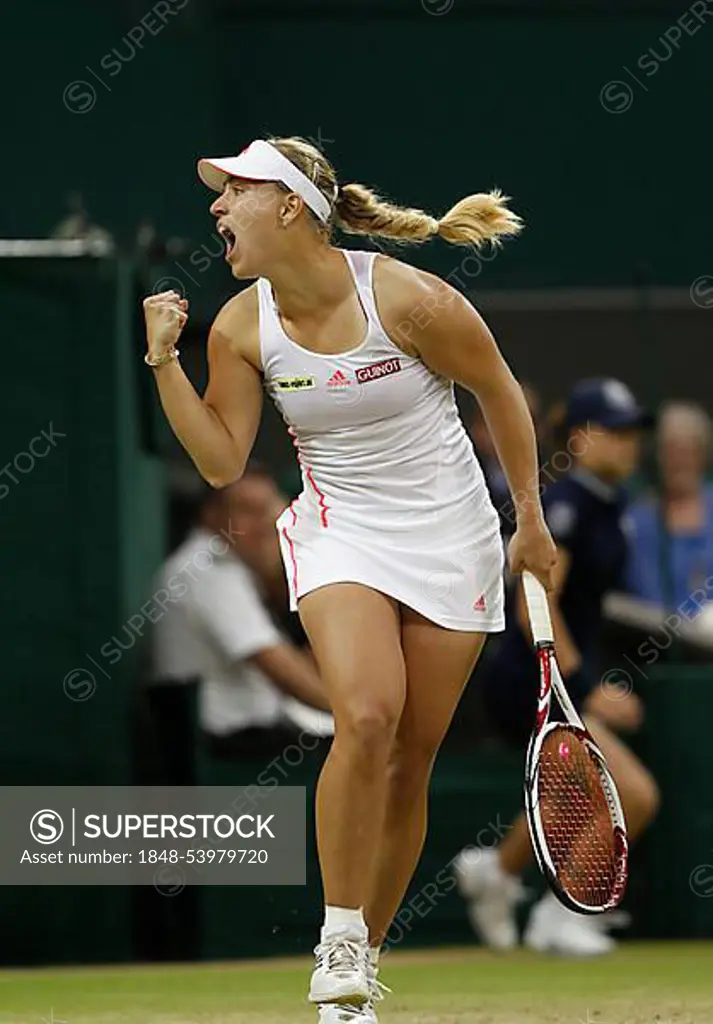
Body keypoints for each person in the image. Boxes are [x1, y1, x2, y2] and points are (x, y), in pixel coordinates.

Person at [142, 135, 556, 1023]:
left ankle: (363, 962)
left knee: (412, 760)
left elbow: (499, 389)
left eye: (236, 192)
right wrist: (164, 362)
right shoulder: (239, 324)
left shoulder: (407, 298)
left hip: (452, 534)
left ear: (291, 205)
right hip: (340, 530)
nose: (217, 208)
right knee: (365, 716)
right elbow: (220, 462)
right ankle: (335, 943)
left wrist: (529, 518)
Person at [454, 378, 660, 956]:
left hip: (555, 673)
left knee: (580, 795)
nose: (628, 446)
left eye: (631, 434)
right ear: (580, 437)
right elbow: (531, 602)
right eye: (614, 433)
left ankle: (496, 872)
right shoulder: (567, 505)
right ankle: (555, 913)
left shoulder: (607, 504)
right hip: (527, 678)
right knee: (632, 794)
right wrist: (586, 690)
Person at [151, 462, 332, 760]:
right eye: (248, 511)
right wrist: (362, 717)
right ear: (211, 515)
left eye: (268, 511)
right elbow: (289, 675)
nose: (264, 525)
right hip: (227, 746)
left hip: (255, 735)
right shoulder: (206, 570)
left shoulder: (235, 565)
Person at [626, 401, 713, 615]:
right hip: (654, 639)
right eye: (669, 451)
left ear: (702, 455)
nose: (677, 462)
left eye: (685, 451)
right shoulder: (638, 521)